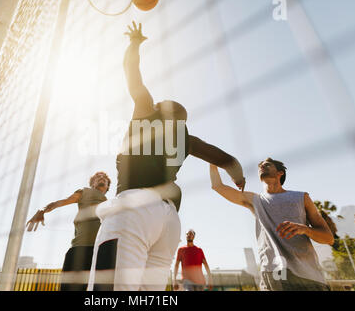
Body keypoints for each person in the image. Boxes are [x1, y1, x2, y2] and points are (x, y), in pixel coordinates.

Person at [86, 22, 246, 291]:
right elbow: (228, 161)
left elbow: (132, 74)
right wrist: (238, 177)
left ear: (159, 108)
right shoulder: (187, 140)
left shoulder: (146, 113)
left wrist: (135, 43)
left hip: (134, 210)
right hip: (169, 221)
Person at [209, 158, 334, 291]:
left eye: (267, 164)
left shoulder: (301, 197)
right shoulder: (255, 200)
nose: (262, 166)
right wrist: (212, 161)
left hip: (309, 277)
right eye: (260, 166)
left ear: (280, 173)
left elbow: (328, 238)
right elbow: (218, 186)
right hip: (274, 274)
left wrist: (305, 229)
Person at [26, 172, 111, 291]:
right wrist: (43, 210)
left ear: (107, 187)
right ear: (92, 183)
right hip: (80, 250)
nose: (101, 179)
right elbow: (64, 201)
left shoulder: (109, 203)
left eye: (105, 179)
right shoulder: (84, 192)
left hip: (100, 252)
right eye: (98, 177)